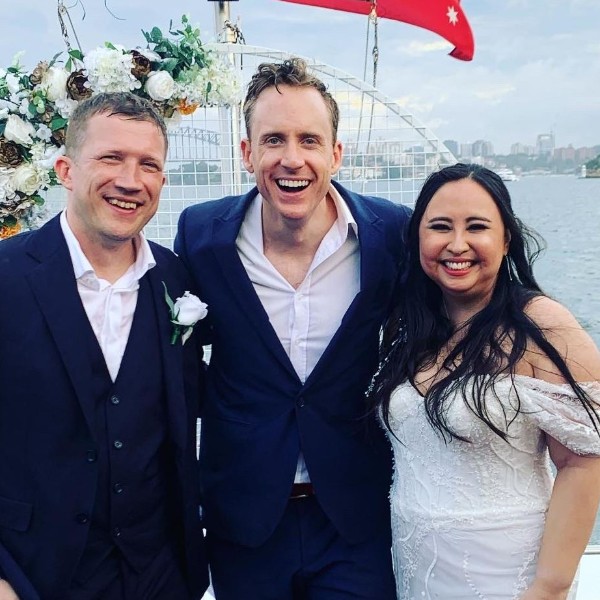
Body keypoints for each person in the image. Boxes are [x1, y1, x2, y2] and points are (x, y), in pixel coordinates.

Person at [175, 57, 411, 599]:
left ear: (335, 153)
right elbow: (173, 356)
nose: (292, 158)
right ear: (247, 153)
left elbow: (439, 324)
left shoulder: (389, 233)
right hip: (245, 519)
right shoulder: (202, 235)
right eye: (273, 139)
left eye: (309, 140)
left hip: (354, 517)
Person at [0, 92, 208, 600]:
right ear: (66, 170)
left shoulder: (178, 277)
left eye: (148, 164)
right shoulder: (6, 276)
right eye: (111, 158)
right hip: (34, 573)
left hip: (160, 575)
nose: (130, 180)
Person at [369, 162, 600, 599]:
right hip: (415, 565)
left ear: (506, 238)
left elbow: (584, 461)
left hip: (507, 573)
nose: (457, 244)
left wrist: (549, 587)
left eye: (476, 227)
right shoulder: (409, 326)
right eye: (440, 227)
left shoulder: (541, 325)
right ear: (418, 237)